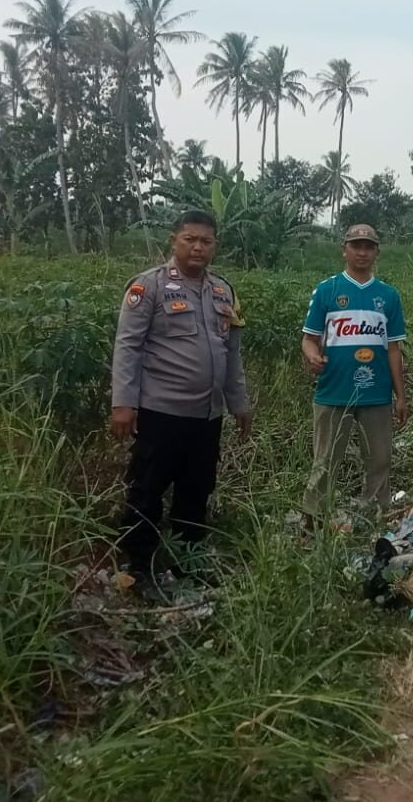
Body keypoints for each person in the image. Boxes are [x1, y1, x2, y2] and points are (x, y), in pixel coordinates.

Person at [111, 210, 252, 599]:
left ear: (215, 246)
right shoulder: (149, 287)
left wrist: (239, 402)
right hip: (161, 413)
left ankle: (188, 562)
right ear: (174, 240)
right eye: (190, 239)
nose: (197, 247)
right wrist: (123, 403)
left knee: (196, 490)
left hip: (207, 416)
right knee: (147, 490)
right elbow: (128, 346)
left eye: (206, 241)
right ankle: (139, 569)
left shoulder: (224, 292)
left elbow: (232, 353)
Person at [299, 224, 409, 523]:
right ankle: (314, 518)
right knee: (325, 461)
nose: (362, 252)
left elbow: (394, 349)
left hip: (376, 394)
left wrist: (401, 396)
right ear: (344, 249)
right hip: (333, 392)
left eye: (368, 246)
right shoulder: (327, 290)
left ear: (376, 252)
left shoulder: (388, 295)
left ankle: (373, 513)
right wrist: (312, 356)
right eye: (356, 245)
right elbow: (309, 338)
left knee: (379, 459)